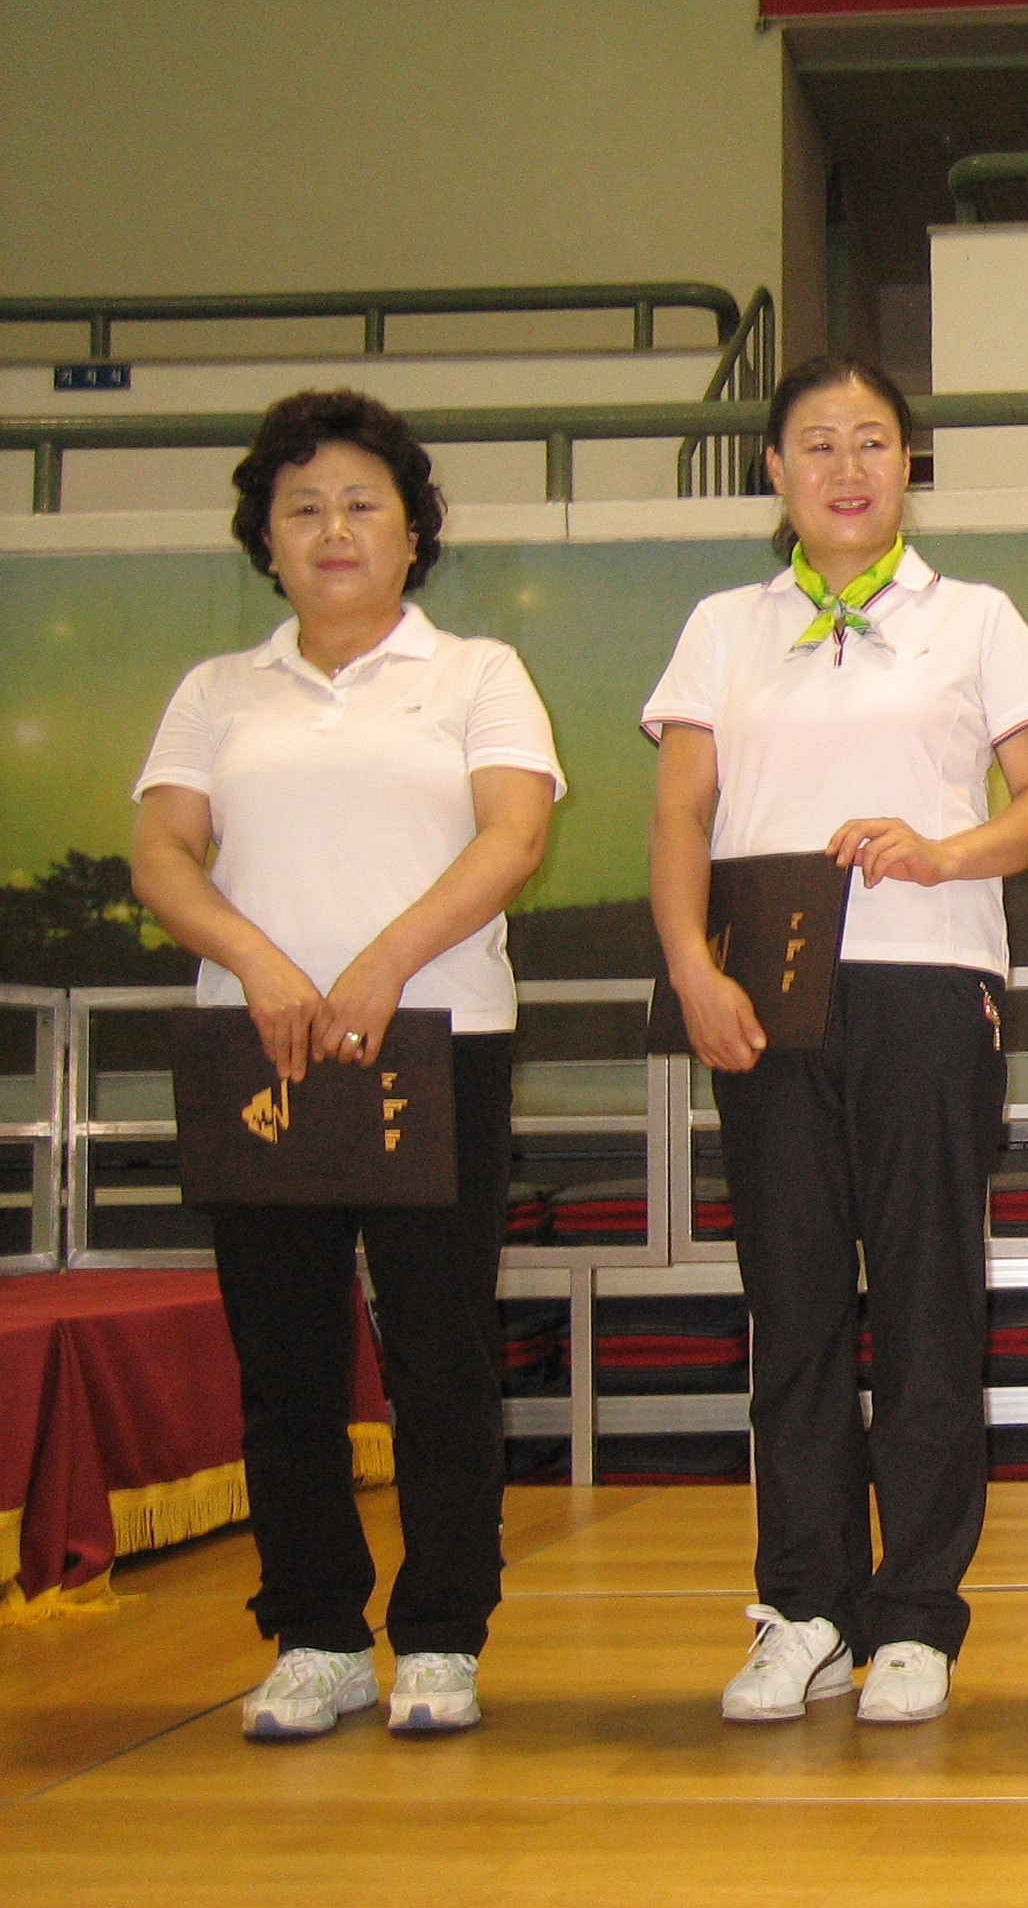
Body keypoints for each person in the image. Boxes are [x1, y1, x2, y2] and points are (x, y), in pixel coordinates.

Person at [643, 354, 1028, 1726]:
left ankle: (916, 1616)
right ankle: (806, 1607)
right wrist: (692, 968)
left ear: (908, 465)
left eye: (874, 442)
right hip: (766, 996)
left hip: (929, 984)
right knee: (794, 1305)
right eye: (818, 444)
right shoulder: (724, 626)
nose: (847, 468)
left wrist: (945, 850)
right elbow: (681, 814)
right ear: (774, 470)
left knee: (929, 1300)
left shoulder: (976, 617)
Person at [131, 390, 564, 1739]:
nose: (334, 529)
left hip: (434, 1043)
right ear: (265, 538)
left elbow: (512, 836)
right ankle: (316, 1631)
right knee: (286, 1361)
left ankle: (441, 1634)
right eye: (303, 506)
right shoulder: (217, 692)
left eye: (363, 504)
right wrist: (262, 965)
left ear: (412, 531)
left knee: (440, 1351)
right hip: (256, 1051)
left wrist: (381, 966)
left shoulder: (475, 672)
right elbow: (162, 854)